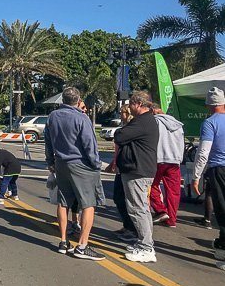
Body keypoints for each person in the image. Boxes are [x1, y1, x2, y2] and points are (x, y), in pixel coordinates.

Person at [45, 87, 105, 261]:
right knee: (88, 204)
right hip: (80, 164)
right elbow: (89, 144)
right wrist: (96, 164)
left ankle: (63, 241)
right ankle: (82, 245)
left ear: (62, 100)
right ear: (78, 100)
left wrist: (51, 162)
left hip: (61, 163)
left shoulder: (53, 117)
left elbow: (48, 142)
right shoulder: (81, 118)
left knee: (63, 202)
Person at [114, 90, 159, 263]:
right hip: (140, 169)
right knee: (142, 208)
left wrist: (121, 133)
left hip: (137, 170)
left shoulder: (142, 122)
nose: (129, 107)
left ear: (138, 104)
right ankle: (144, 242)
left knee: (137, 208)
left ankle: (146, 247)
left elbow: (120, 136)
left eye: (131, 104)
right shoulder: (146, 121)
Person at [192, 87, 225, 271]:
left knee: (222, 209)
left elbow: (203, 151)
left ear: (208, 105)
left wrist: (196, 176)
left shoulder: (210, 123)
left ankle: (224, 249)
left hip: (219, 169)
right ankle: (221, 243)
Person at [105, 105, 139, 243]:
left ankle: (133, 229)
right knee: (118, 198)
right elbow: (117, 150)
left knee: (129, 200)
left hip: (130, 167)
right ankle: (127, 226)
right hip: (121, 167)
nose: (120, 115)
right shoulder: (123, 129)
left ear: (128, 113)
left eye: (122, 112)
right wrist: (113, 163)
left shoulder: (131, 130)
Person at [150, 105, 184, 228]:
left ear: (153, 110)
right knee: (174, 191)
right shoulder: (177, 124)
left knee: (151, 186)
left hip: (158, 159)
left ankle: (161, 210)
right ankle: (172, 219)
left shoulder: (155, 122)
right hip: (174, 160)